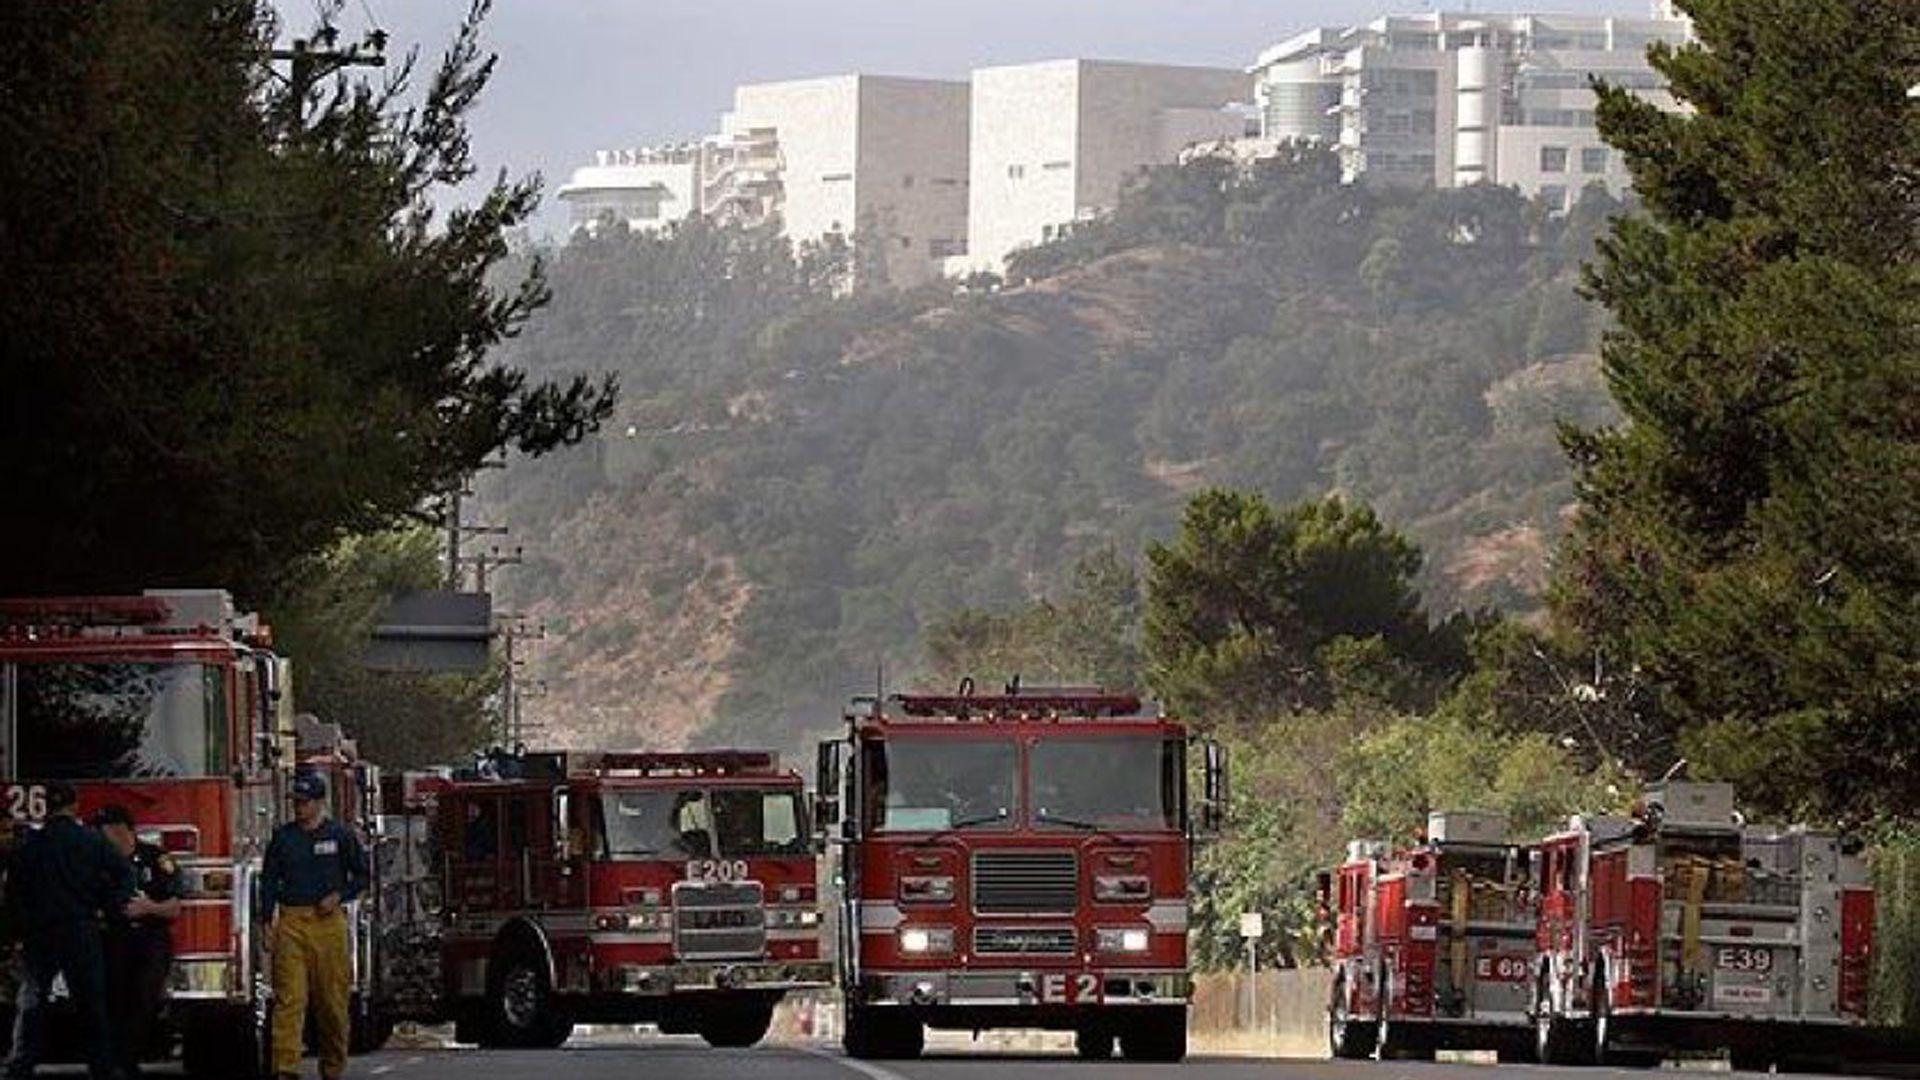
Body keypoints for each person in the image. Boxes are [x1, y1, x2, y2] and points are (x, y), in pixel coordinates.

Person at [5, 782, 135, 1080]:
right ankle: (101, 1065)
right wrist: (111, 906)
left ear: (46, 807)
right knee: (91, 1001)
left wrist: (16, 934)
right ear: (75, 806)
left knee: (33, 998)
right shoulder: (91, 841)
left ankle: (21, 1063)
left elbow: (14, 894)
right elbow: (124, 873)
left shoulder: (28, 846)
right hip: (81, 929)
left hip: (41, 932)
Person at [262, 772, 368, 1080]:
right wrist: (266, 921)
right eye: (296, 802)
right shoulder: (283, 838)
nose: (299, 808)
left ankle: (333, 1066)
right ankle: (285, 1068)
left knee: (332, 1002)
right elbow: (269, 881)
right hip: (292, 920)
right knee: (290, 999)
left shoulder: (340, 836)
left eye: (305, 802)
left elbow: (361, 876)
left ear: (320, 803)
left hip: (328, 923)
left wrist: (340, 896)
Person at [93, 806, 179, 1080]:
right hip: (111, 938)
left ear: (125, 831)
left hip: (150, 938)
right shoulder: (95, 862)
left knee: (144, 996)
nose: (105, 840)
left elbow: (175, 907)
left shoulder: (156, 859)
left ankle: (129, 1056)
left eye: (108, 833)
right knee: (114, 998)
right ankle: (119, 1060)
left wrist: (148, 907)